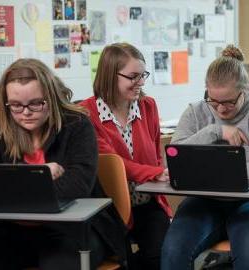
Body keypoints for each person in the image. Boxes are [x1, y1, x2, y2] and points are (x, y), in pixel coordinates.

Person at [0, 58, 126, 269]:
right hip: (8, 228)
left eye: (36, 103)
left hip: (71, 229)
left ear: (51, 97)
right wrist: (40, 174)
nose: (26, 112)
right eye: (16, 105)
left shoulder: (77, 123)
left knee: (60, 264)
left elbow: (77, 185)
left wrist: (14, 187)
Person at [161, 45, 249, 270]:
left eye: (229, 102)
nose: (221, 110)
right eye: (214, 101)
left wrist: (228, 171)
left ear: (246, 90)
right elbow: (175, 158)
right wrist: (215, 131)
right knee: (173, 249)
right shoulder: (196, 111)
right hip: (205, 201)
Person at [80, 43, 171, 270]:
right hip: (109, 209)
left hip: (148, 202)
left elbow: (156, 153)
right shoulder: (86, 113)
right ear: (111, 75)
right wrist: (156, 173)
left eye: (143, 75)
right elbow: (114, 165)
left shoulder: (148, 106)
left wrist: (157, 172)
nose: (140, 82)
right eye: (133, 76)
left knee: (163, 256)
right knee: (121, 261)